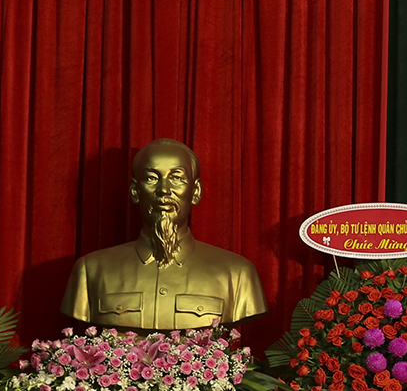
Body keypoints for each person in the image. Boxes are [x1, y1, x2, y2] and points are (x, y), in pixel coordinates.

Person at [62, 138, 266, 330]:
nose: (164, 190)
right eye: (152, 178)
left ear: (195, 191)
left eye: (176, 178)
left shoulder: (237, 274)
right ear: (135, 191)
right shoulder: (91, 271)